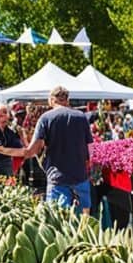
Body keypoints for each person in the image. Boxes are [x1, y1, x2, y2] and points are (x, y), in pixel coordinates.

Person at [28, 86, 94, 214]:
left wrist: (20, 152)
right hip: (80, 176)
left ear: (51, 100)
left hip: (57, 178)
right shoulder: (81, 117)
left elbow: (35, 148)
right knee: (84, 223)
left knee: (59, 222)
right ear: (67, 100)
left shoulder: (46, 118)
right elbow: (90, 148)